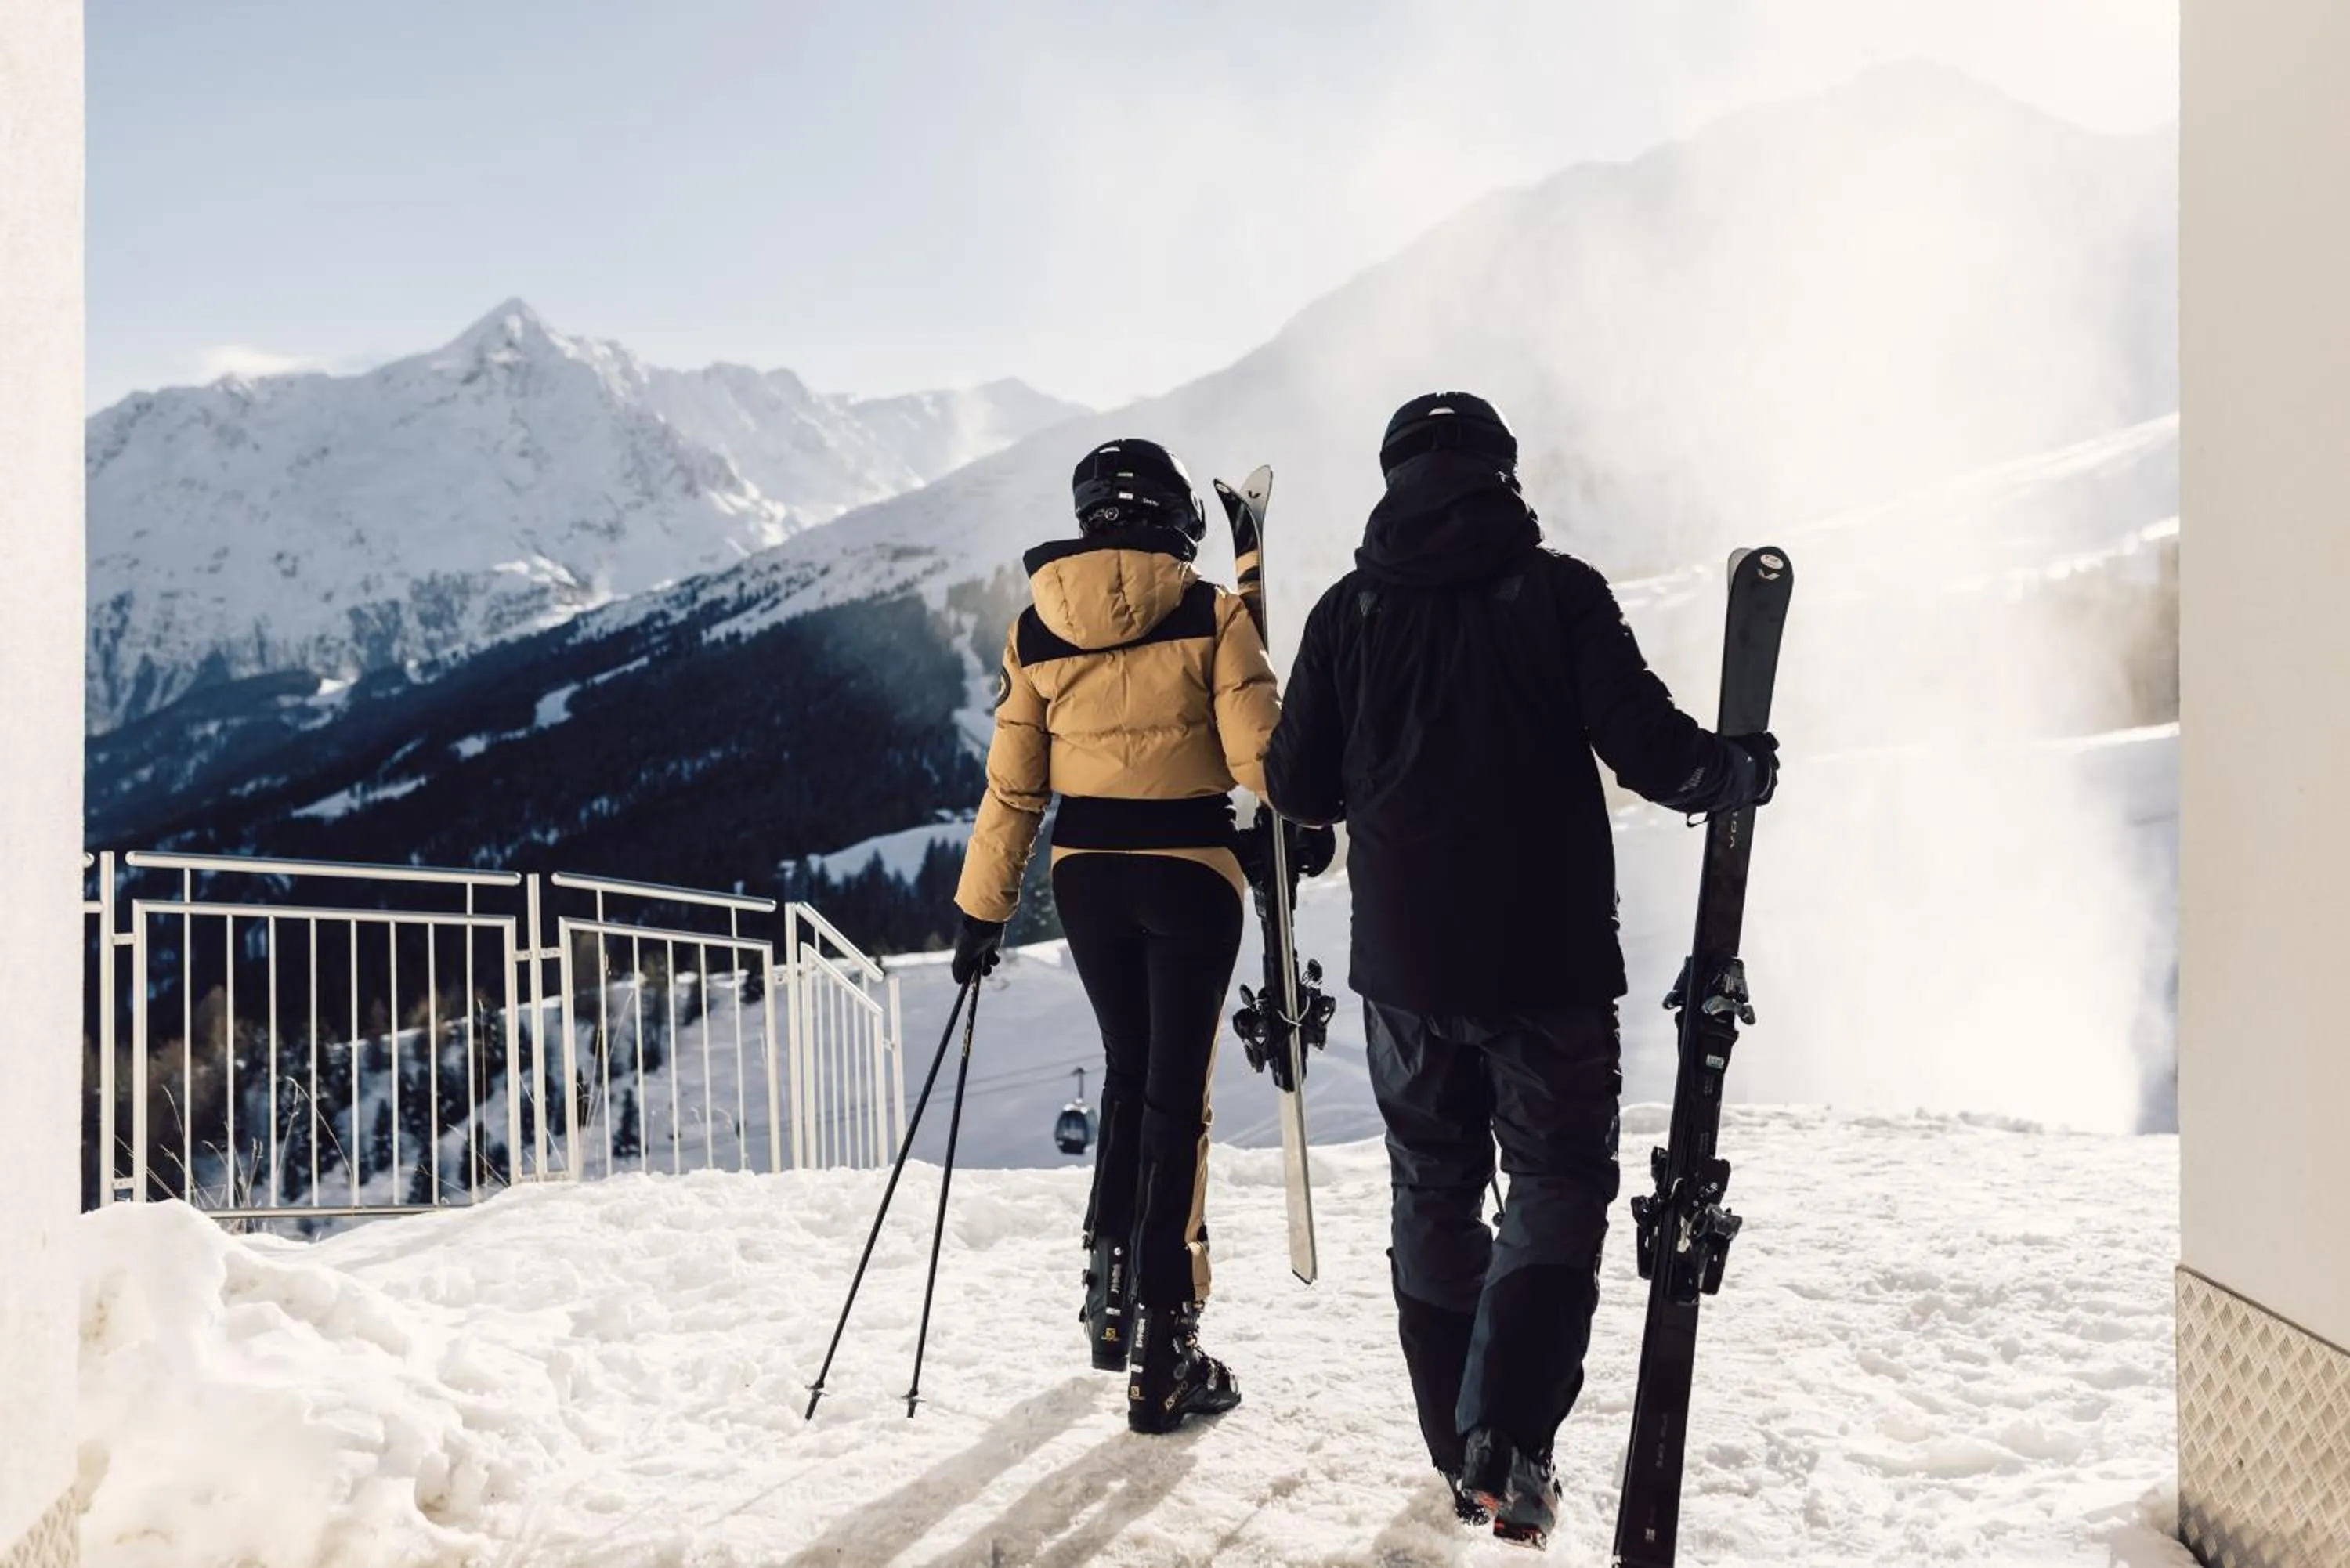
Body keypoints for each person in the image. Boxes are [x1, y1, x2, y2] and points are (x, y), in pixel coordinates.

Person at [1263, 392, 1779, 1544]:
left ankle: (1462, 1443)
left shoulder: (1348, 612)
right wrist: (1731, 772)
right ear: (1503, 471)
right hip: (1545, 962)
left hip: (1404, 969)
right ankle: (1511, 1435)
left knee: (1432, 1187)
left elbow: (1293, 791)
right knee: (1553, 1182)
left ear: (1392, 478)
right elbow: (1648, 747)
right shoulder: (1559, 590)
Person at [948, 436, 1325, 1434]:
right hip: (1192, 874)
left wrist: (981, 911)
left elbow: (1013, 786)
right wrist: (1304, 817)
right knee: (1176, 1100)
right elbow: (1260, 754)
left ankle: (1109, 1296)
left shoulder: (1037, 628)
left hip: (1087, 883)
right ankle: (1169, 1345)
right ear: (1175, 517)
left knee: (1128, 1071)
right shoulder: (1211, 611)